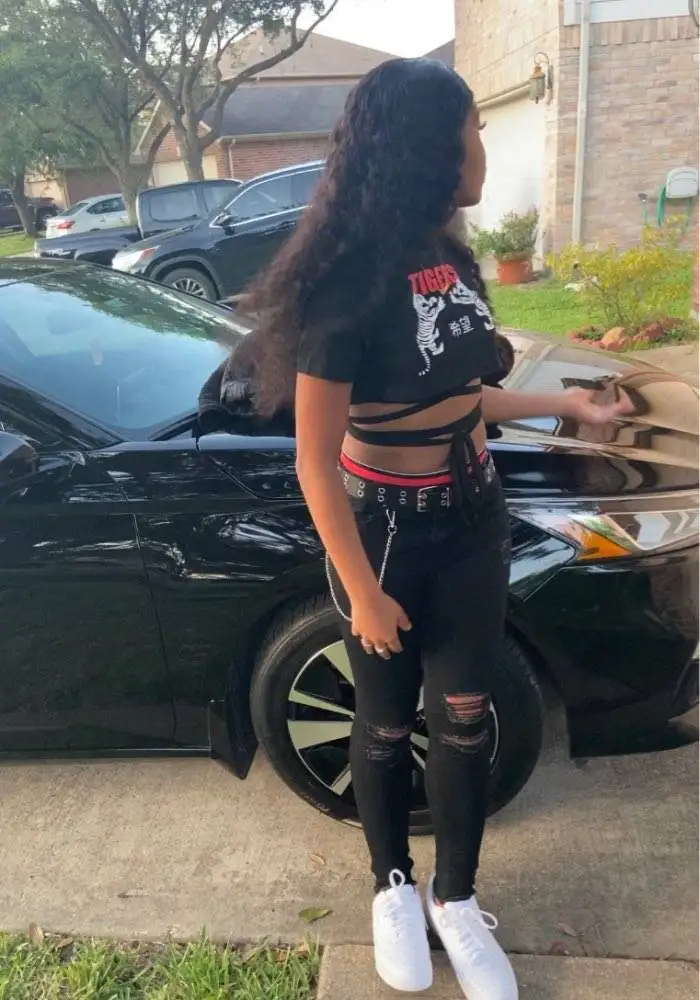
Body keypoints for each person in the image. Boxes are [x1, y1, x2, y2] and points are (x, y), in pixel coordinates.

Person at [239, 58, 632, 1000]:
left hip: (471, 520)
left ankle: (454, 896)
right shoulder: (343, 288)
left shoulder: (449, 259)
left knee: (464, 719)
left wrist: (567, 407)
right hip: (381, 537)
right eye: (474, 130)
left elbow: (462, 396)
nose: (482, 149)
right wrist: (363, 592)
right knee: (383, 724)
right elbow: (314, 461)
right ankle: (391, 887)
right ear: (428, 147)